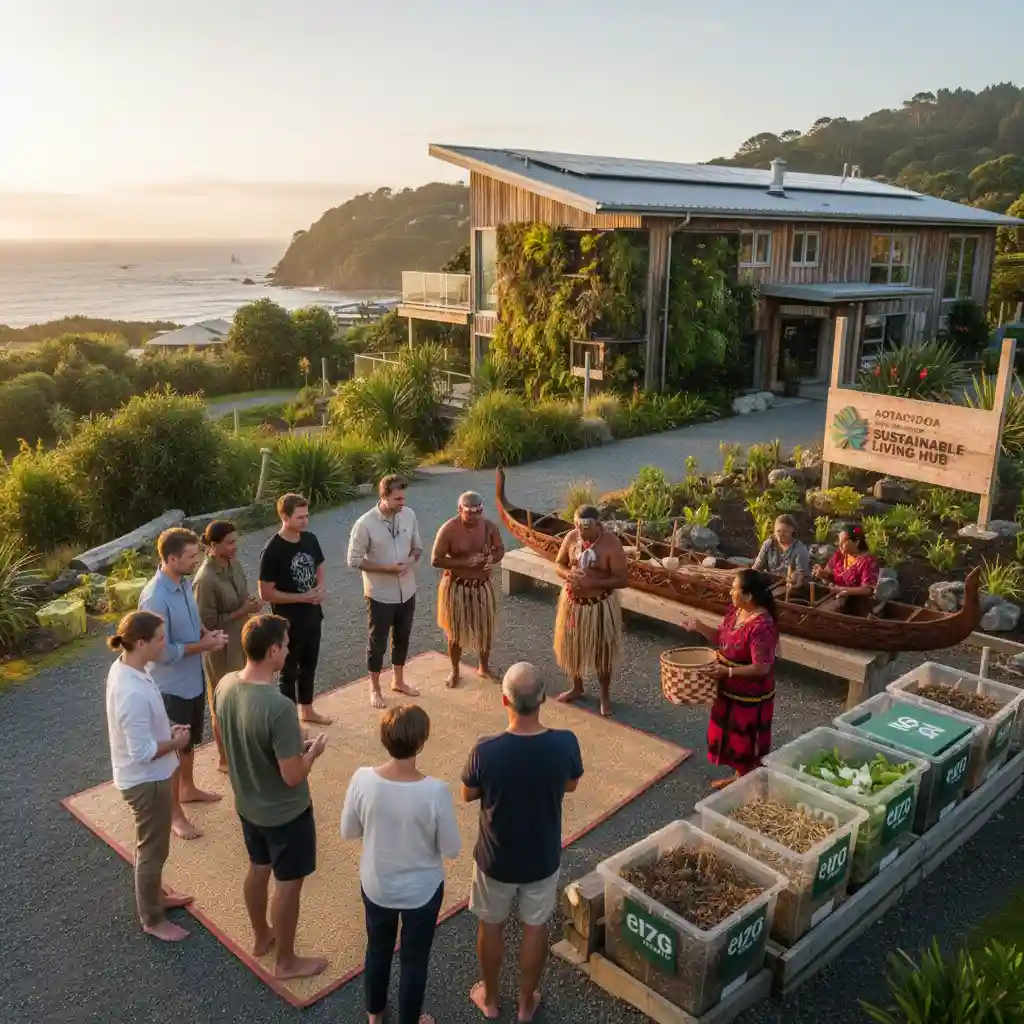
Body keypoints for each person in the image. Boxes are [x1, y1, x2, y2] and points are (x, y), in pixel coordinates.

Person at [462, 663, 584, 1023]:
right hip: (541, 856)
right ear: (543, 698)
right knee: (535, 926)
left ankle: (490, 998)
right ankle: (525, 1003)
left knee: (491, 923)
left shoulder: (486, 751)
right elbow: (571, 784)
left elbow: (468, 792)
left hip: (495, 857)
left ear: (504, 700)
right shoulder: (565, 743)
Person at [215, 614, 330, 980]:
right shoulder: (279, 707)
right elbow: (293, 775)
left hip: (248, 803)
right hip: (285, 813)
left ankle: (262, 935)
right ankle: (286, 961)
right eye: (286, 643)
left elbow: (222, 732)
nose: (290, 649)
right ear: (272, 651)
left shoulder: (226, 684)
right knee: (287, 883)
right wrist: (312, 753)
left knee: (257, 868)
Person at [341, 705, 461, 1024]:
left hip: (377, 884)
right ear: (421, 742)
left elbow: (348, 830)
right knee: (414, 960)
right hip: (422, 891)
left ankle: (375, 1016)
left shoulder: (362, 779)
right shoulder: (435, 791)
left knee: (377, 950)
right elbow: (452, 848)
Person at [105, 610, 194, 942]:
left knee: (155, 847)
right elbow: (142, 751)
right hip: (147, 781)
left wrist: (168, 728)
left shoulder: (128, 670)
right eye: (159, 638)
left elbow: (145, 724)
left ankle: (157, 897)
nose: (164, 643)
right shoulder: (130, 691)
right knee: (152, 851)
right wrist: (176, 742)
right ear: (140, 643)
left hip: (151, 776)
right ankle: (152, 919)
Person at [139, 527, 229, 840]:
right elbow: (158, 650)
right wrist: (202, 647)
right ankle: (175, 815)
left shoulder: (185, 581)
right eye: (191, 556)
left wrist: (206, 634)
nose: (197, 560)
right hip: (170, 685)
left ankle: (188, 789)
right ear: (172, 557)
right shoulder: (155, 596)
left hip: (192, 678)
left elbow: (193, 618)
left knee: (188, 743)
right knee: (173, 752)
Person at [682, 568, 780, 790]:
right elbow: (722, 638)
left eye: (734, 589)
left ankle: (749, 785)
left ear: (748, 596)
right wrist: (699, 626)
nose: (730, 592)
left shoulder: (761, 626)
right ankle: (739, 778)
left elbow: (761, 668)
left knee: (745, 742)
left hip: (750, 695)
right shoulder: (736, 611)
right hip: (728, 688)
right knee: (729, 737)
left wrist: (727, 672)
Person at [347, 475, 424, 709]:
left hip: (407, 590)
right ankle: (375, 688)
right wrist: (386, 569)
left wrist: (410, 562)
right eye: (397, 498)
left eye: (404, 497)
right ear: (384, 496)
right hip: (380, 594)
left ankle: (398, 681)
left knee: (402, 637)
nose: (402, 502)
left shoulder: (408, 514)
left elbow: (418, 547)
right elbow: (353, 560)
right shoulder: (365, 524)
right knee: (377, 641)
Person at [192, 519, 263, 771]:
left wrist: (250, 605)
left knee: (245, 698)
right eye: (230, 542)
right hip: (221, 649)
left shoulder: (234, 564)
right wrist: (243, 610)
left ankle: (243, 749)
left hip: (242, 642)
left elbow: (241, 596)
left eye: (236, 541)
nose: (236, 546)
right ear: (213, 545)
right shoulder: (205, 580)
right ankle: (225, 758)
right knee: (223, 704)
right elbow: (206, 624)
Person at [258, 493, 333, 726]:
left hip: (312, 615)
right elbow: (266, 593)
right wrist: (302, 596)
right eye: (300, 517)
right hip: (286, 623)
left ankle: (307, 710)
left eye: (307, 516)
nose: (305, 521)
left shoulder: (309, 539)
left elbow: (319, 564)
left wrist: (319, 587)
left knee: (309, 664)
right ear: (284, 516)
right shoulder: (272, 550)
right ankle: (286, 720)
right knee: (288, 671)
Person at [552, 505, 629, 717]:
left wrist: (592, 581)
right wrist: (568, 574)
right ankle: (577, 687)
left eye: (584, 526)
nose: (579, 530)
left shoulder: (611, 544)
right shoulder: (571, 538)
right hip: (573, 605)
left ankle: (604, 696)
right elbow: (558, 563)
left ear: (598, 525)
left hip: (599, 606)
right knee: (572, 648)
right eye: (576, 525)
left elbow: (622, 579)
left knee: (602, 652)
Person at [431, 490, 505, 687]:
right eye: (469, 512)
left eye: (478, 511)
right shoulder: (448, 530)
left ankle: (483, 667)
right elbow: (436, 560)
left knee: (485, 630)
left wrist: (491, 558)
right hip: (458, 587)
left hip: (482, 587)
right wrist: (465, 562)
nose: (474, 515)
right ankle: (455, 671)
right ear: (459, 510)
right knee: (455, 634)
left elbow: (500, 550)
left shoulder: (489, 527)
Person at [813, 523, 880, 598]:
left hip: (857, 603)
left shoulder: (868, 561)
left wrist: (843, 590)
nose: (839, 544)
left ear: (856, 542)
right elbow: (828, 574)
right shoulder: (839, 555)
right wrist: (822, 573)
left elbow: (867, 590)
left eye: (844, 541)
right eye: (839, 540)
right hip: (834, 598)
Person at [751, 514, 810, 585]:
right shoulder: (769, 544)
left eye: (784, 531)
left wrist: (794, 579)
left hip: (791, 587)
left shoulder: (800, 549)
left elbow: (802, 577)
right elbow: (757, 567)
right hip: (770, 584)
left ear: (792, 529)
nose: (781, 534)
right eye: (778, 531)